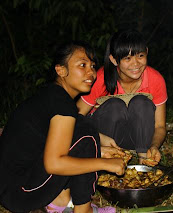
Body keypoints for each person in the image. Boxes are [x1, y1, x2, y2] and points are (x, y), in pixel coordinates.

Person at [0, 41, 126, 213]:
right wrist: (105, 163)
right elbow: (54, 164)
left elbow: (57, 140)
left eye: (92, 66)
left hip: (11, 188)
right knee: (87, 134)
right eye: (82, 65)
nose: (91, 73)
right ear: (61, 70)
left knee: (84, 129)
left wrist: (101, 148)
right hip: (21, 192)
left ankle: (60, 203)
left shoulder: (52, 95)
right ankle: (84, 210)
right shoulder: (62, 104)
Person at [76, 29, 167, 167]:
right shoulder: (100, 78)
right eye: (127, 58)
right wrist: (99, 138)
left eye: (140, 56)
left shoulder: (156, 79)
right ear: (114, 60)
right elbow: (75, 118)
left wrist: (154, 146)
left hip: (136, 140)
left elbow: (160, 126)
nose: (135, 64)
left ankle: (144, 160)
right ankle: (107, 161)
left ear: (147, 52)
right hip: (104, 138)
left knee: (141, 103)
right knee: (115, 106)